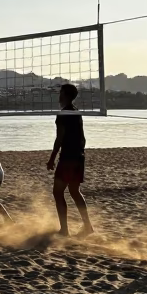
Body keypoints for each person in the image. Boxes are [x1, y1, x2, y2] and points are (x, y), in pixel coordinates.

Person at [47, 83, 93, 236]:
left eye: (61, 93)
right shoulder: (76, 112)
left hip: (68, 158)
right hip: (79, 156)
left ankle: (64, 230)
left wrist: (52, 158)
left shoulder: (63, 114)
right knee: (74, 191)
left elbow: (59, 138)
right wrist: (80, 152)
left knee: (58, 192)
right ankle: (87, 226)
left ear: (65, 95)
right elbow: (83, 138)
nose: (59, 96)